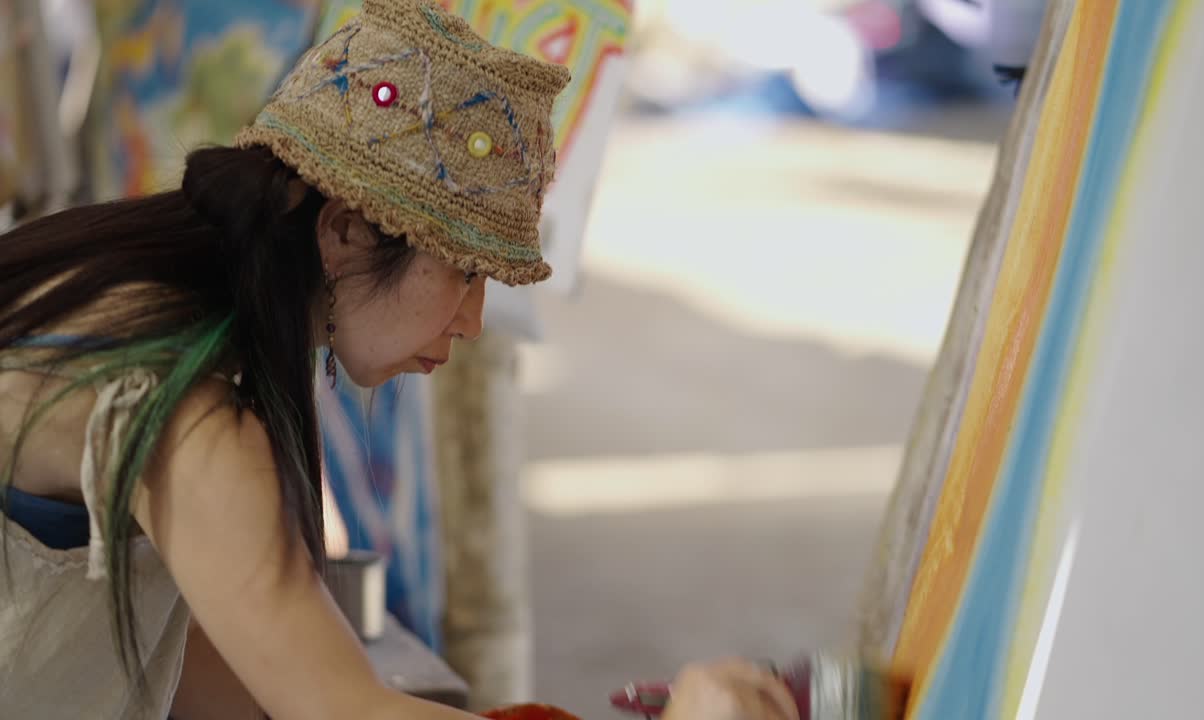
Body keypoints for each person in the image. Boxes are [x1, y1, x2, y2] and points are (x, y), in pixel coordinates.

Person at [0, 2, 800, 719]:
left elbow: (229, 692)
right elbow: (337, 711)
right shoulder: (187, 399)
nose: (475, 320)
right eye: (464, 271)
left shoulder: (172, 308)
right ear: (344, 231)